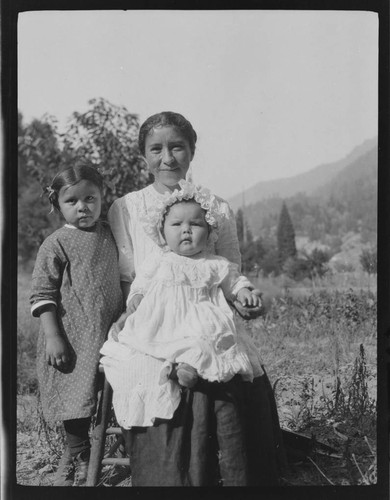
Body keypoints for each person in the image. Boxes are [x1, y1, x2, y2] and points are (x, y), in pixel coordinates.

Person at [106, 111, 285, 486]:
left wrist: (245, 300)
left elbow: (230, 270)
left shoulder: (215, 206)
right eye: (156, 149)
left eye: (177, 148)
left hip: (207, 307)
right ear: (143, 154)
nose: (167, 158)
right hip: (152, 314)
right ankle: (172, 472)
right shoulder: (125, 207)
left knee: (226, 357)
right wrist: (133, 312)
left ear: (192, 151)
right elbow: (130, 278)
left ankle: (227, 465)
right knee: (150, 363)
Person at [100, 181, 265, 431]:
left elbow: (233, 281)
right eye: (177, 225)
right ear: (163, 232)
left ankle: (186, 368)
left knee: (205, 341)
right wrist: (136, 296)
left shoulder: (215, 263)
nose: (186, 230)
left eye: (195, 224)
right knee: (152, 344)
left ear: (209, 233)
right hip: (164, 320)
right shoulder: (160, 259)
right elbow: (141, 282)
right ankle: (175, 368)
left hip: (202, 318)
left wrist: (243, 292)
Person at [30, 164, 123, 486]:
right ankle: (78, 454)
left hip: (111, 331)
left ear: (102, 197)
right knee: (76, 396)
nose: (83, 207)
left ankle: (118, 448)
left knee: (110, 393)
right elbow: (42, 295)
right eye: (72, 201)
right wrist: (54, 337)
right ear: (57, 205)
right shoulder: (56, 244)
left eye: (90, 198)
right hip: (73, 334)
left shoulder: (111, 233)